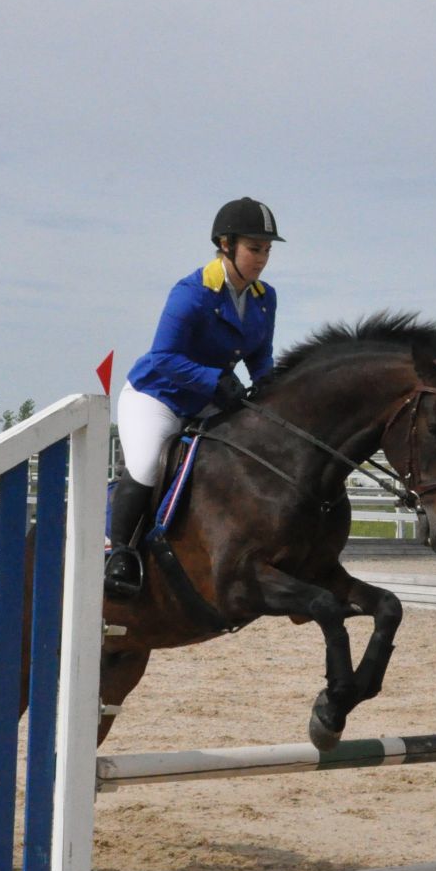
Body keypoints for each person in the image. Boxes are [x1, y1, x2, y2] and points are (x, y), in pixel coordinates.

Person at [105, 197, 282, 599]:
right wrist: (214, 379)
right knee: (149, 464)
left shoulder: (263, 298)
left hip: (208, 397)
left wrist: (270, 391)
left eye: (267, 250)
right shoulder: (192, 293)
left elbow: (260, 355)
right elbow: (164, 357)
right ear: (225, 244)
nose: (262, 259)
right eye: (255, 248)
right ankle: (121, 554)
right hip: (158, 395)